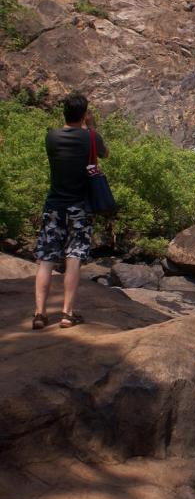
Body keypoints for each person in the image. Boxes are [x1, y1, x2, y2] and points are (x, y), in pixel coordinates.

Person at [32, 92, 108, 330]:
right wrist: (90, 127)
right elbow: (104, 155)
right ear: (85, 114)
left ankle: (39, 314)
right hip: (80, 207)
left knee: (46, 260)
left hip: (54, 205)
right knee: (73, 258)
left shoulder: (50, 137)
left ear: (63, 113)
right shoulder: (91, 138)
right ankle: (67, 313)